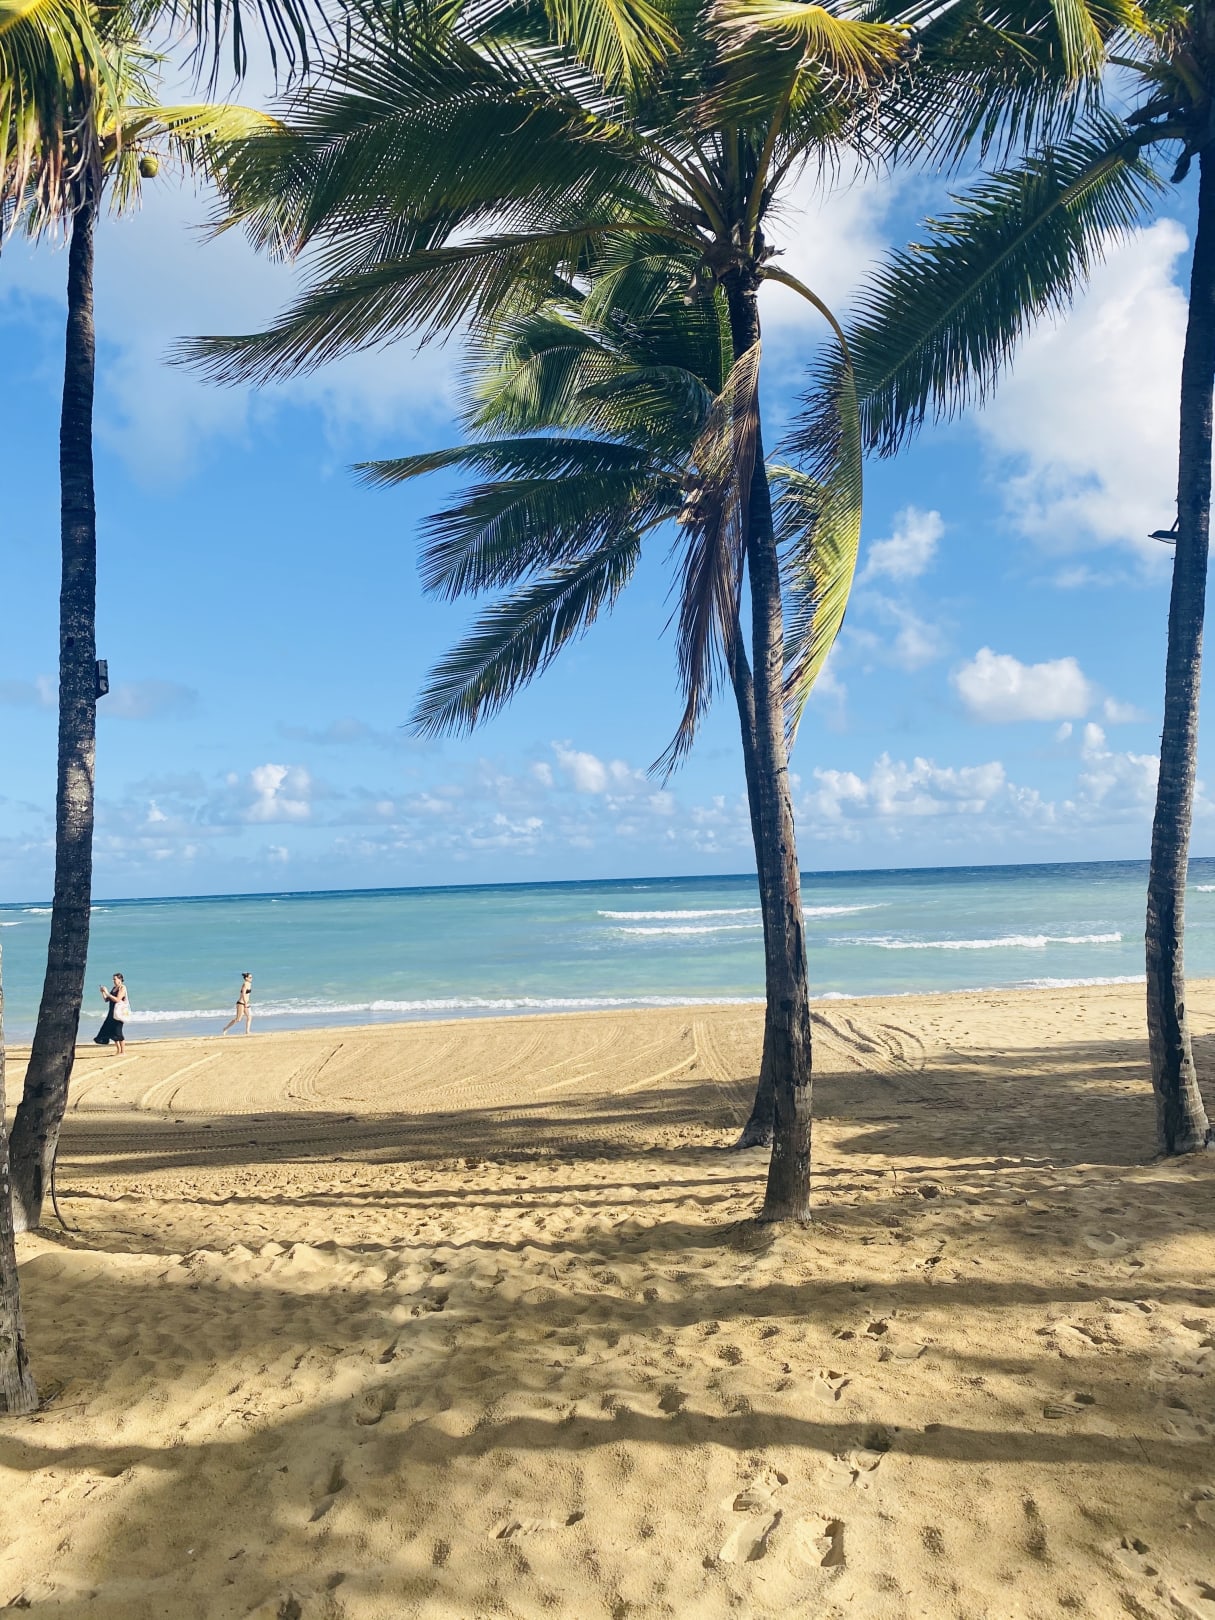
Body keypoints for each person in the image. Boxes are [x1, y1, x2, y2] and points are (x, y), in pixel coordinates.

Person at [94, 972, 130, 1054]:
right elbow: (106, 1000)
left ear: (120, 979)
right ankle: (118, 1050)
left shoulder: (122, 988)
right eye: (113, 979)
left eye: (115, 979)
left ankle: (123, 1052)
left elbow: (117, 999)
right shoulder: (114, 988)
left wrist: (107, 993)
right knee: (111, 1032)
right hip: (111, 1013)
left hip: (119, 1013)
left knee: (118, 1032)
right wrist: (103, 992)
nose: (113, 981)